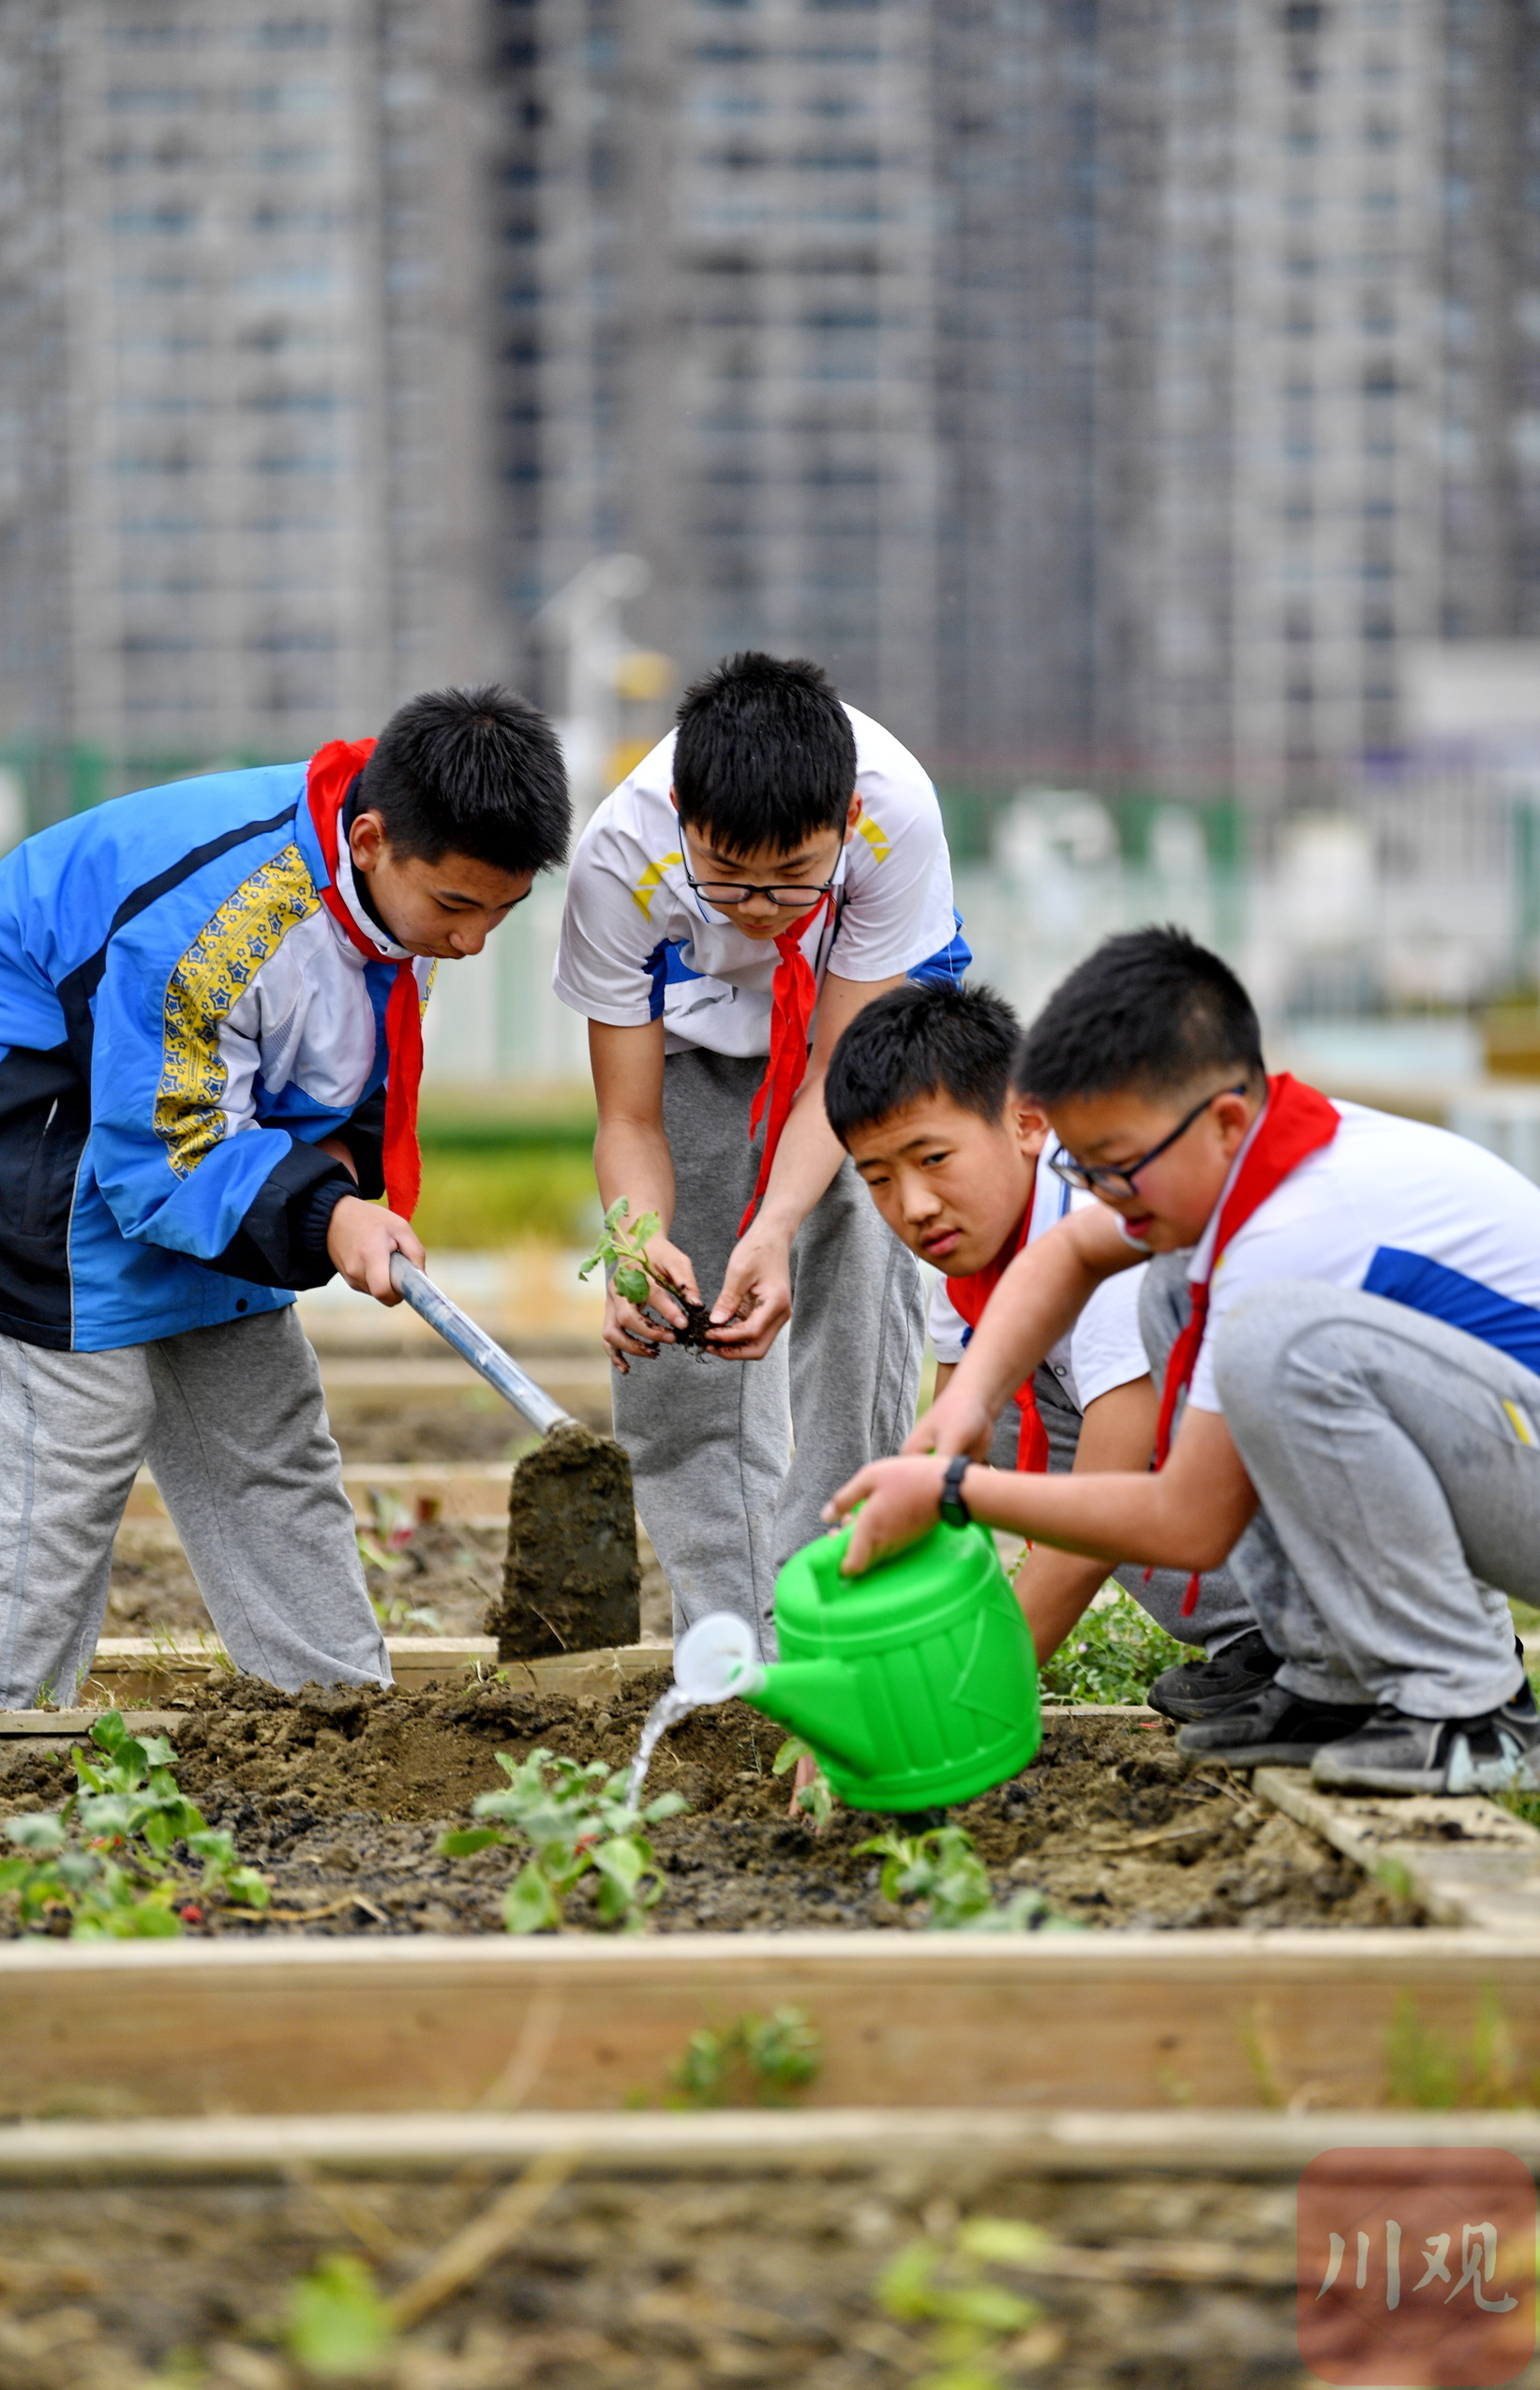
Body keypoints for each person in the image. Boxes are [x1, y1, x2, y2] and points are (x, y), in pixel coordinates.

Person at [0, 685, 571, 1708]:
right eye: (456, 908)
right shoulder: (221, 923)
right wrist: (327, 1213)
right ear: (369, 840)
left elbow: (312, 1083)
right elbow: (163, 1150)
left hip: (173, 1114)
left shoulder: (386, 895)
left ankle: (338, 1708)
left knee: (264, 1420)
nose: (470, 943)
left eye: (499, 913)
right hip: (20, 1099)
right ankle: (3, 1735)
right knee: (69, 1437)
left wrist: (337, 1191)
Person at [828, 926, 1540, 1797]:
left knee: (1279, 1346)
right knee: (1173, 1292)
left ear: (1225, 1120)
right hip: (1502, 1452)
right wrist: (968, 1400)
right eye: (1085, 1171)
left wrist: (951, 1494)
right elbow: (1070, 1254)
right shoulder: (1227, 1158)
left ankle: (1469, 1704)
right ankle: (1332, 1678)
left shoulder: (1296, 1228)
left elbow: (1190, 1523)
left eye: (1116, 1170)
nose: (1100, 1195)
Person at [552, 650, 966, 1650]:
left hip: (860, 1026)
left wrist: (775, 1225)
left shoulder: (894, 811)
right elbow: (629, 1119)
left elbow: (838, 1066)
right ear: (683, 812)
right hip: (695, 1033)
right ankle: (739, 1646)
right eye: (727, 877)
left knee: (860, 1278)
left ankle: (839, 1617)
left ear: (842, 823)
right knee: (672, 1332)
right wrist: (631, 1239)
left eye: (792, 880)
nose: (756, 908)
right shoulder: (619, 853)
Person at [820, 977, 1256, 1676]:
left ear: (1027, 1122)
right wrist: (880, 1657)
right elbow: (947, 1473)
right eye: (878, 1179)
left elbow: (1097, 1518)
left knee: (1078, 1465)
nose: (916, 1205)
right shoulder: (968, 1268)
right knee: (997, 1418)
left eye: (933, 1159)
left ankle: (1285, 1638)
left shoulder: (1105, 1222)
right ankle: (1257, 1647)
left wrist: (967, 1692)